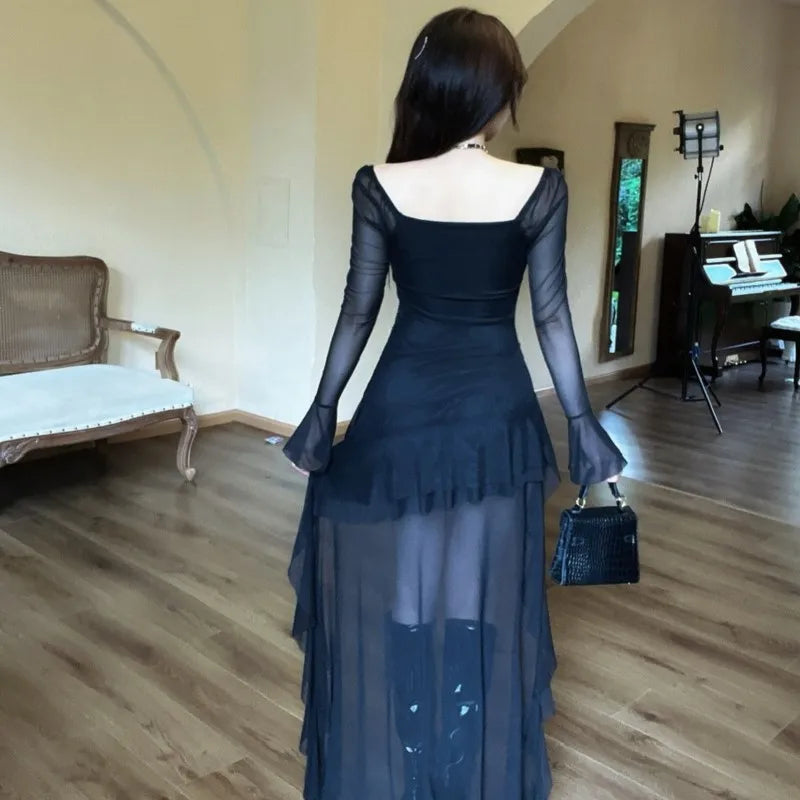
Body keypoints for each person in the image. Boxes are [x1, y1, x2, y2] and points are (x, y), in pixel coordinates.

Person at [283, 8, 626, 799]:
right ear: (495, 93)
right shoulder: (539, 188)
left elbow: (359, 312)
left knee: (408, 593)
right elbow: (551, 317)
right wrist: (582, 425)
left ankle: (414, 769)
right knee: (472, 588)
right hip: (495, 420)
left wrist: (320, 415)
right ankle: (459, 771)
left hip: (398, 412)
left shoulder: (380, 184)